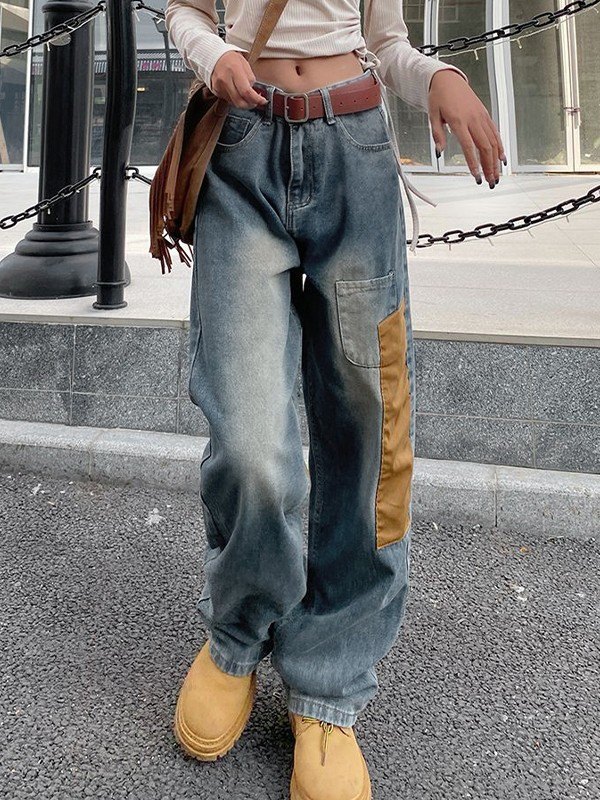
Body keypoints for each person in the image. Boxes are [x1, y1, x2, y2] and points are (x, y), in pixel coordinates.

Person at [165, 1, 505, 798]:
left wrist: (438, 77)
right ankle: (238, 635)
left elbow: (385, 42)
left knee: (368, 433)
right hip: (242, 155)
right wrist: (213, 54)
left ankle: (330, 681)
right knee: (250, 442)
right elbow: (182, 10)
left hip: (355, 156)